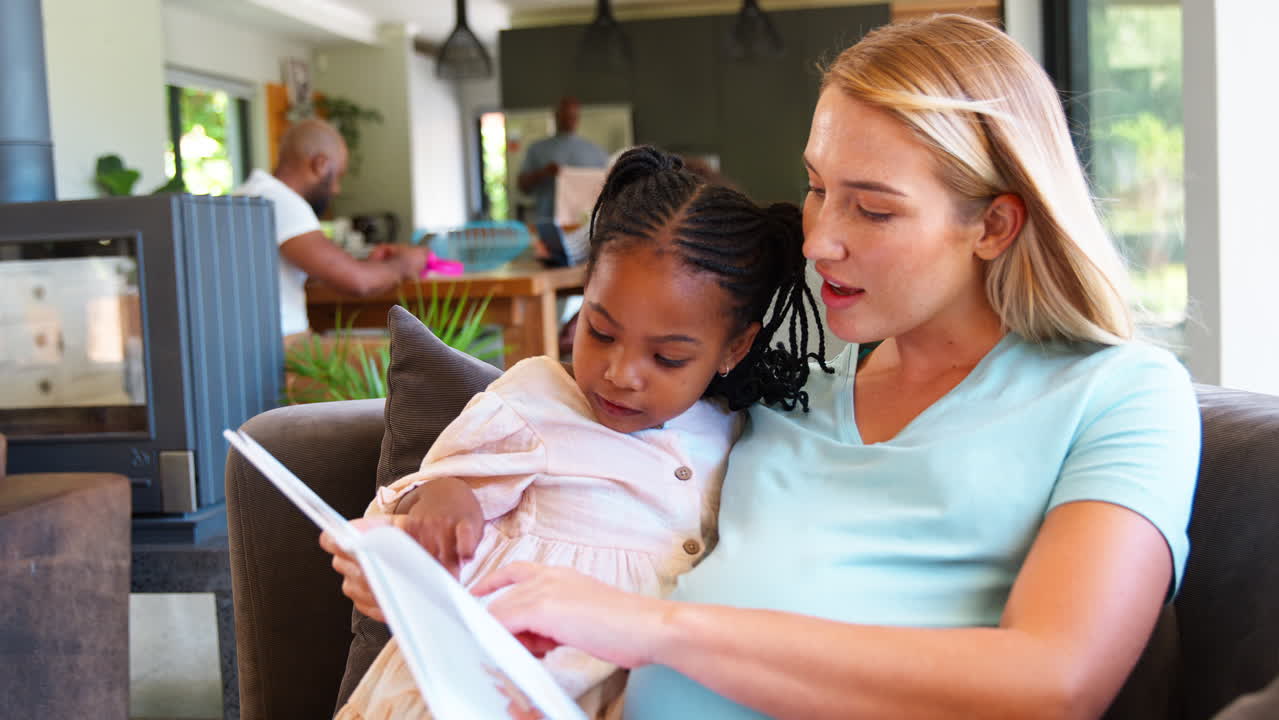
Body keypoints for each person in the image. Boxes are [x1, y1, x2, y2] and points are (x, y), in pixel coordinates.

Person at [330, 15, 1201, 719]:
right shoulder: (781, 384)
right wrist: (421, 561)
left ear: (995, 226)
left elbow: (1052, 682)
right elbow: (582, 469)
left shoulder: (1120, 395)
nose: (819, 238)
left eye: (874, 209)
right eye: (819, 186)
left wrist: (652, 631)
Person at [327, 146, 827, 719]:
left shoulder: (742, 434)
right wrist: (442, 502)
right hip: (490, 687)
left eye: (666, 358)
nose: (619, 374)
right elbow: (439, 486)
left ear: (733, 349)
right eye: (600, 331)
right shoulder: (538, 397)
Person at [234, 118, 427, 341]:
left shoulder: (247, 193)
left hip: (250, 345)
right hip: (282, 346)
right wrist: (403, 265)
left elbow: (324, 271)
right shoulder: (281, 201)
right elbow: (358, 282)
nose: (336, 189)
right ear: (321, 164)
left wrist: (370, 266)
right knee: (404, 363)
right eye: (338, 176)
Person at [517, 97, 609, 223]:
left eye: (572, 116)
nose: (568, 120)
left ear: (578, 118)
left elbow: (607, 186)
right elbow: (522, 186)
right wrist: (544, 173)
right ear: (555, 116)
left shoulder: (596, 152)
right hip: (547, 223)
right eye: (564, 116)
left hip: (584, 224)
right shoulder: (537, 149)